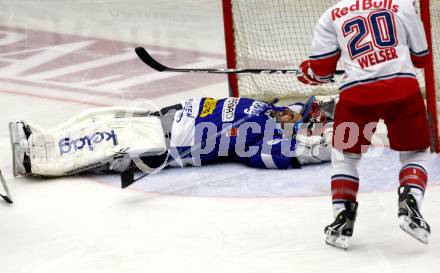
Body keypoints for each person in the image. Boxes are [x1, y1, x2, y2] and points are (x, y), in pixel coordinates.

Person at [298, 0, 432, 248]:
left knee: (345, 156)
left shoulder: (331, 15)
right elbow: (421, 58)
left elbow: (321, 71)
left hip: (357, 96)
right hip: (403, 90)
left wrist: (308, 72)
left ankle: (343, 218)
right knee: (415, 153)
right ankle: (409, 201)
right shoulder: (402, 5)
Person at [9, 96, 335, 181]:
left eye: (297, 116)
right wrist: (326, 107)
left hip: (167, 144)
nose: (290, 113)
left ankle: (36, 160)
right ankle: (41, 138)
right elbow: (300, 107)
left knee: (103, 143)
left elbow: (283, 156)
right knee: (100, 122)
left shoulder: (262, 139)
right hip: (165, 117)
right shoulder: (266, 110)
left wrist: (326, 145)